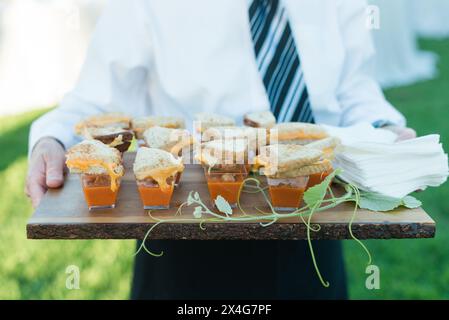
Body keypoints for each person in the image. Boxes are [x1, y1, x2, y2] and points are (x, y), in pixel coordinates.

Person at [26, 0, 416, 299]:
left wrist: (385, 129)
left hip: (314, 220)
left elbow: (355, 88)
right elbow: (94, 102)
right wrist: (52, 139)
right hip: (184, 228)